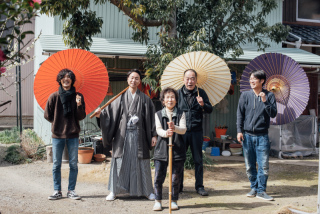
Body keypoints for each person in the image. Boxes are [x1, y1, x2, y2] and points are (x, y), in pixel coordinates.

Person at [94, 69, 157, 201]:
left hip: (140, 136)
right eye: (131, 78)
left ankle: (147, 191)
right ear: (127, 80)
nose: (134, 80)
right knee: (119, 162)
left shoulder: (145, 99)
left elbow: (152, 118)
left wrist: (153, 135)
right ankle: (114, 191)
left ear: (140, 81)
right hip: (122, 136)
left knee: (142, 163)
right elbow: (109, 114)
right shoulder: (119, 98)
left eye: (137, 78)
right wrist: (101, 115)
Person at [44, 69, 86, 200]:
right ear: (60, 80)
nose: (66, 79)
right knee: (56, 164)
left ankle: (71, 191)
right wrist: (57, 123)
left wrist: (79, 105)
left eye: (69, 77)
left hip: (73, 135)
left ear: (72, 80)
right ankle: (57, 190)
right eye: (63, 77)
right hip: (57, 135)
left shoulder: (78, 96)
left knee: (73, 164)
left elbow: (81, 116)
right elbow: (47, 115)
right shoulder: (54, 96)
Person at [237, 69, 277, 201]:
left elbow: (273, 114)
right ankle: (254, 187)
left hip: (262, 136)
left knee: (263, 165)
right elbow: (240, 114)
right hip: (247, 136)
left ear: (262, 81)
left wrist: (265, 101)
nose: (252, 81)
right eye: (250, 79)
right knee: (249, 166)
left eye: (254, 79)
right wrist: (239, 130)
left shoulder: (269, 95)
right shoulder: (245, 95)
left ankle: (261, 191)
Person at [178, 69, 213, 196]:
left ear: (196, 80)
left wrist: (203, 104)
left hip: (196, 132)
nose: (190, 81)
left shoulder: (201, 93)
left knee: (198, 160)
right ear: (183, 79)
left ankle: (199, 186)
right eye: (187, 78)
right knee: (179, 159)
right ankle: (178, 186)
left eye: (192, 78)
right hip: (181, 132)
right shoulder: (178, 93)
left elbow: (210, 110)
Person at [153, 87, 187, 211]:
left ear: (176, 100)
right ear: (163, 100)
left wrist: (175, 127)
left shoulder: (181, 113)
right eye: (167, 97)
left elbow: (183, 130)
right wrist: (166, 133)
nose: (170, 99)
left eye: (172, 97)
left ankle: (173, 200)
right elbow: (158, 129)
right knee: (158, 177)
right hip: (161, 150)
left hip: (177, 150)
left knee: (175, 178)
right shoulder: (158, 114)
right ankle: (158, 201)